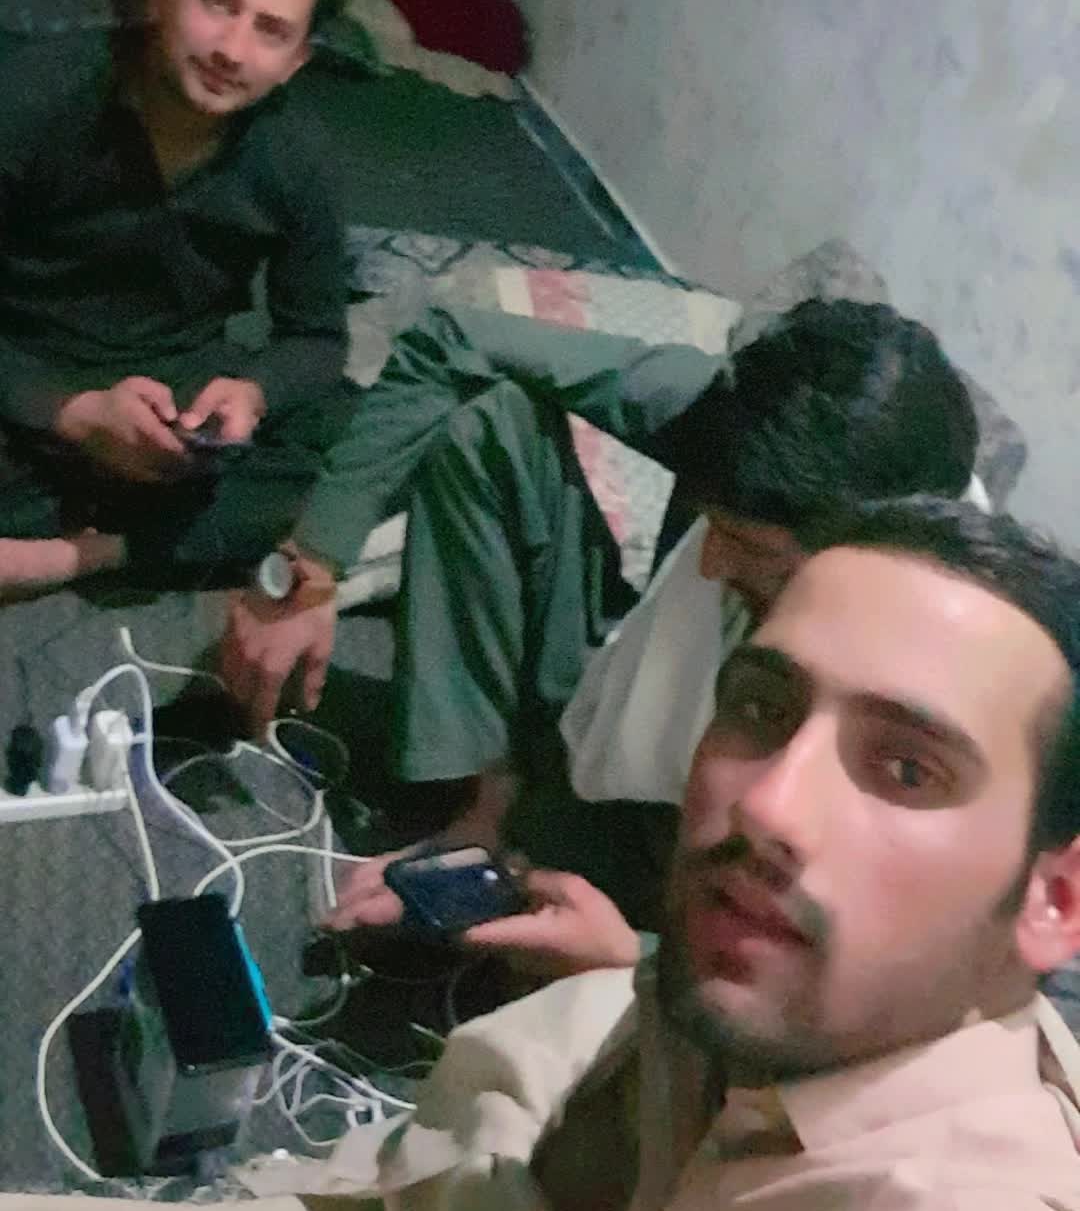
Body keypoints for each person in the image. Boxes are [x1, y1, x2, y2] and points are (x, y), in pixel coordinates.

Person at [4, 498, 1080, 1211]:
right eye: (762, 707)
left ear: (1056, 899)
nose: (767, 802)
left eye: (905, 768)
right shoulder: (797, 1007)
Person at [221, 295, 980, 923]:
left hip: (714, 845)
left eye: (747, 545)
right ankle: (485, 809)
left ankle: (569, 866)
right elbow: (452, 339)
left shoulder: (947, 660)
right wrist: (311, 567)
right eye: (713, 530)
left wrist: (629, 966)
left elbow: (899, 976)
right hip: (628, 689)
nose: (710, 566)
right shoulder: (728, 411)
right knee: (487, 419)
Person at [0, 0, 351, 588]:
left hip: (170, 394)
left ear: (297, 61)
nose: (232, 49)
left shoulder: (298, 158)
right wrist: (74, 414)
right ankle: (151, 536)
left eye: (271, 30)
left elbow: (317, 337)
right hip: (23, 362)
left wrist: (250, 394)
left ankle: (77, 555)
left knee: (361, 439)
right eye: (217, 3)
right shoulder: (37, 92)